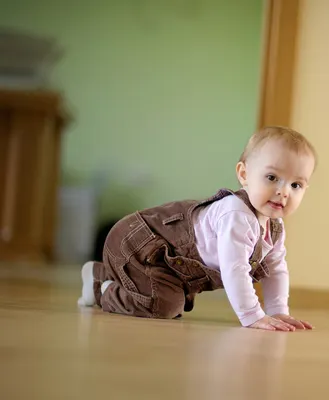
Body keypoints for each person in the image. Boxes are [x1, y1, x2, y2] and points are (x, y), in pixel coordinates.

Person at [77, 126, 316, 332]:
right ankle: (100, 286)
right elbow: (235, 270)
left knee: (173, 301)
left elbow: (275, 269)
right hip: (137, 244)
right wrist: (253, 315)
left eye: (296, 184)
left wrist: (278, 311)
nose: (284, 192)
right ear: (244, 174)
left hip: (167, 265)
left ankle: (103, 276)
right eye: (272, 177)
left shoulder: (274, 227)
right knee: (163, 306)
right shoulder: (236, 215)